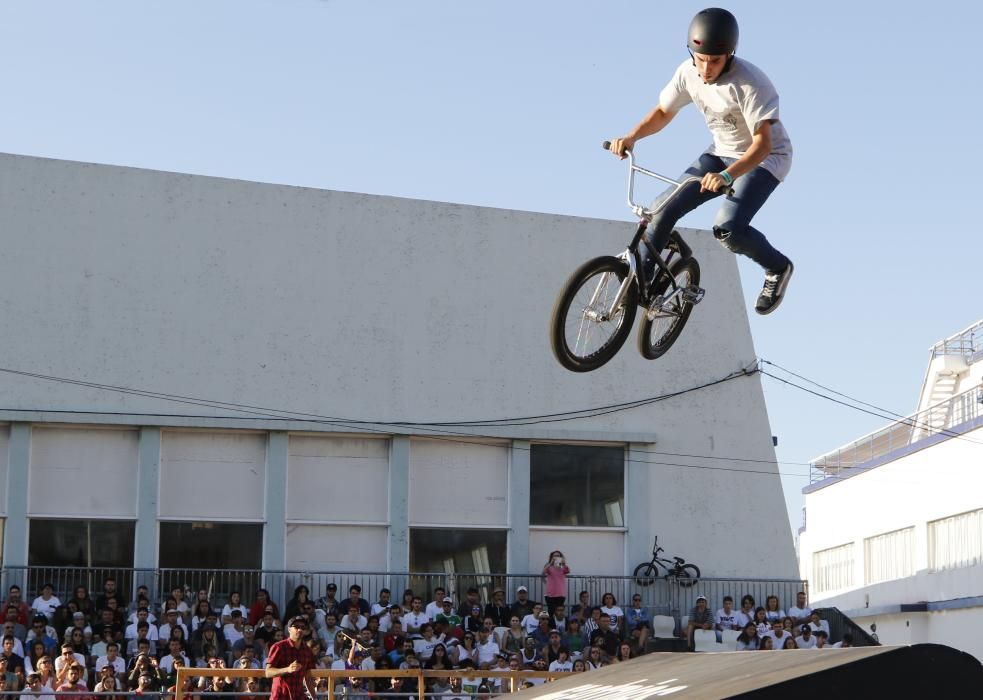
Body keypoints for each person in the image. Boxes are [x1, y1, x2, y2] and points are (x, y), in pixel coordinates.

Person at [607, 7, 794, 315]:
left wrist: (729, 177)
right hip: (721, 151)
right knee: (660, 210)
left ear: (730, 55)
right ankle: (643, 283)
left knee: (728, 228)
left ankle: (777, 267)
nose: (706, 69)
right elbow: (664, 112)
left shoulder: (751, 84)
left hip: (765, 160)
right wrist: (631, 137)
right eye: (701, 59)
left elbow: (762, 145)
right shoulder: (687, 73)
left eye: (715, 61)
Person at [264, 616, 316, 700]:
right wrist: (287, 669)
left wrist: (314, 697)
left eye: (302, 627)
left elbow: (307, 678)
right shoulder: (278, 647)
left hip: (299, 696)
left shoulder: (307, 651)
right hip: (280, 696)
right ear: (289, 629)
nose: (300, 629)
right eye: (296, 627)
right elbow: (268, 672)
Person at [542, 551, 570, 617]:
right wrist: (551, 563)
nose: (556, 557)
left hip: (560, 593)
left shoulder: (562, 567)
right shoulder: (548, 566)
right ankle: (551, 626)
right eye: (554, 555)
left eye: (558, 555)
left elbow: (568, 571)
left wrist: (564, 563)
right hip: (550, 594)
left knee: (559, 612)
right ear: (551, 557)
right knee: (551, 611)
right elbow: (544, 572)